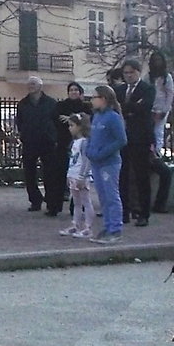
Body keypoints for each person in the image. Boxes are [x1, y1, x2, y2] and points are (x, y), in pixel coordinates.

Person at [116, 58, 156, 227]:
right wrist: (131, 107)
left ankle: (143, 213)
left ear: (139, 72)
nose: (129, 75)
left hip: (140, 138)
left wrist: (127, 108)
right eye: (126, 73)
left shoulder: (147, 89)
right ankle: (124, 211)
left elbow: (144, 107)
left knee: (141, 177)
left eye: (132, 72)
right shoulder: (119, 89)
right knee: (122, 176)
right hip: (122, 138)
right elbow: (115, 108)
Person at [85, 85, 127, 244]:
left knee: (111, 196)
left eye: (94, 97)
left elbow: (121, 140)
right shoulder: (96, 117)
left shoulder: (113, 117)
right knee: (103, 197)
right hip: (96, 163)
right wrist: (89, 150)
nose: (92, 100)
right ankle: (108, 226)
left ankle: (115, 229)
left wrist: (102, 153)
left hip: (109, 163)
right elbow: (91, 136)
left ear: (103, 99)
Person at [14, 76, 58, 215]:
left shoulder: (51, 103)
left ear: (40, 86)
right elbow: (19, 121)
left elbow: (56, 121)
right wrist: (24, 134)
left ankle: (51, 202)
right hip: (29, 141)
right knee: (29, 173)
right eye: (29, 84)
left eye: (34, 84)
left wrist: (53, 136)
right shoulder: (22, 104)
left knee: (50, 173)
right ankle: (35, 200)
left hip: (47, 141)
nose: (31, 86)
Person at [53, 82, 93, 216]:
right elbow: (56, 119)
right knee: (59, 175)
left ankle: (75, 207)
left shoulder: (86, 107)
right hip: (63, 143)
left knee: (78, 175)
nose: (73, 92)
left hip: (80, 143)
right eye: (71, 90)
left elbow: (87, 120)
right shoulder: (61, 106)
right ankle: (54, 206)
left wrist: (71, 118)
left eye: (76, 90)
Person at [59, 113, 95, 239]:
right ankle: (76, 224)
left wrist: (82, 176)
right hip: (73, 174)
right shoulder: (75, 142)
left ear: (79, 127)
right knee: (77, 202)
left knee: (85, 201)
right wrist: (70, 174)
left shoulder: (84, 142)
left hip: (81, 176)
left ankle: (88, 227)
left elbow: (86, 160)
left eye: (72, 125)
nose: (69, 128)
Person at [145, 51, 173, 213]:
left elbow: (169, 96)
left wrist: (164, 111)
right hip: (149, 110)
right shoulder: (148, 78)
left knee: (158, 133)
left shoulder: (167, 78)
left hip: (161, 110)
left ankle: (156, 154)